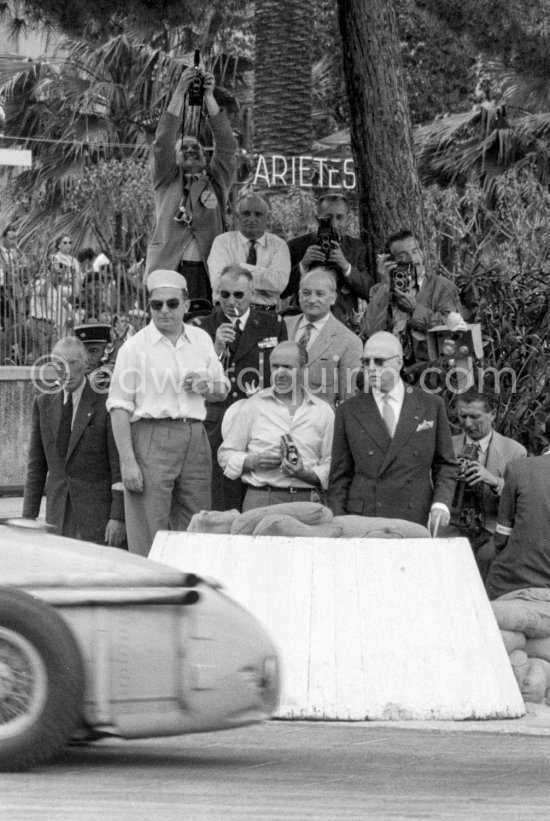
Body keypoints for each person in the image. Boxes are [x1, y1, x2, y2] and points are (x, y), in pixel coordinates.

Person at [107, 269, 229, 556]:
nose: (164, 311)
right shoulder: (134, 348)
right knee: (149, 527)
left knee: (198, 523)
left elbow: (221, 389)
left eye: (172, 304)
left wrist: (204, 385)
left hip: (195, 437)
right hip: (151, 436)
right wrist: (128, 462)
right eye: (156, 304)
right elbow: (119, 407)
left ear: (186, 305)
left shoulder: (201, 339)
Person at [327, 331, 457, 530]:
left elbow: (445, 465)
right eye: (365, 362)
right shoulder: (348, 410)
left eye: (379, 362)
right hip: (364, 519)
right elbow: (339, 477)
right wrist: (338, 522)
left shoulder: (430, 405)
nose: (370, 368)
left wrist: (440, 504)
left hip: (414, 517)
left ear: (398, 362)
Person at [194, 264, 287, 510]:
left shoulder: (273, 324)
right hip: (218, 418)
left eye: (238, 294)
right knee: (220, 492)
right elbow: (194, 377)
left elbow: (283, 372)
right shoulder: (201, 327)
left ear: (252, 293)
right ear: (217, 293)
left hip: (259, 418)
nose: (230, 300)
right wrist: (215, 350)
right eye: (224, 294)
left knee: (257, 487)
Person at [145, 64, 237, 302]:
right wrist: (179, 92)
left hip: (207, 274)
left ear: (205, 156)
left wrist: (208, 96)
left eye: (195, 148)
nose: (190, 150)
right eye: (183, 148)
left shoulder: (216, 181)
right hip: (169, 269)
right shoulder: (166, 180)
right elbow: (163, 141)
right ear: (174, 159)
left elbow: (226, 146)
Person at [22, 336, 126, 547]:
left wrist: (118, 517)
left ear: (86, 363)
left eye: (73, 363)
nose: (67, 370)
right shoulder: (43, 403)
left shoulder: (105, 403)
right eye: (60, 364)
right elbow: (37, 466)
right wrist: (27, 518)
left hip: (96, 517)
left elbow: (118, 466)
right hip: (57, 516)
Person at [218, 340, 334, 511]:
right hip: (262, 499)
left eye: (287, 367)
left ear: (304, 369)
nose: (280, 373)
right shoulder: (253, 406)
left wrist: (304, 474)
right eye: (275, 366)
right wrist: (250, 461)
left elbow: (333, 463)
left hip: (308, 502)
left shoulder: (323, 411)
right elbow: (225, 455)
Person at [443, 389, 527, 580]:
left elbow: (522, 500)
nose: (467, 423)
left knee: (487, 563)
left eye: (475, 417)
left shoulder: (515, 451)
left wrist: (494, 481)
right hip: (453, 526)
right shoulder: (447, 446)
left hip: (491, 530)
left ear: (493, 415)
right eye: (462, 416)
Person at [361, 229, 462, 371]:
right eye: (402, 256)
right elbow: (368, 330)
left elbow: (452, 329)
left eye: (415, 251)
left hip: (432, 371)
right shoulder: (380, 290)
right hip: (390, 371)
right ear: (392, 262)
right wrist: (385, 286)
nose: (413, 260)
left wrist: (415, 310)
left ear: (422, 253)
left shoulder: (442, 286)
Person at [281, 193, 371, 327]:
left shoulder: (357, 248)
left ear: (348, 219)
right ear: (317, 218)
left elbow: (368, 290)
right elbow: (283, 291)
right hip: (303, 321)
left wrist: (346, 267)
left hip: (342, 323)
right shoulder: (296, 246)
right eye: (328, 218)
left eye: (339, 218)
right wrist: (303, 265)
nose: (334, 223)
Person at [486, 419, 550, 600]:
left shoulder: (519, 469)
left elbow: (501, 537)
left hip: (513, 580)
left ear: (545, 433)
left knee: (485, 558)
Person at [284, 267, 363, 407]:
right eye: (306, 293)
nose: (312, 300)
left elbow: (348, 399)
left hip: (319, 423)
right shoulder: (282, 327)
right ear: (299, 295)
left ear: (333, 298)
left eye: (320, 294)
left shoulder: (349, 342)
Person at [207, 192, 290, 308]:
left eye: (258, 214)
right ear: (237, 217)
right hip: (228, 311)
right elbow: (218, 282)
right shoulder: (222, 242)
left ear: (267, 218)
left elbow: (279, 284)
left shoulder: (279, 246)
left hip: (264, 315)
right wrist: (264, 280)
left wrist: (240, 268)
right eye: (246, 213)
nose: (252, 219)